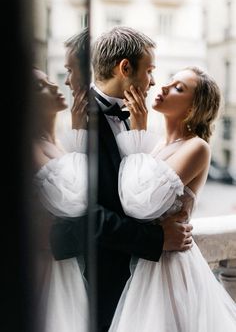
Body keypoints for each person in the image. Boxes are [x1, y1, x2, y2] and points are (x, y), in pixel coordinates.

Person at [50, 26, 193, 331]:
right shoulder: (78, 121)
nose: (153, 81)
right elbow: (87, 213)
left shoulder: (134, 117)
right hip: (97, 278)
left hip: (134, 279)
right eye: (150, 70)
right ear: (125, 68)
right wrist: (157, 238)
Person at [108, 66, 236, 331]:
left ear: (192, 109)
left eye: (179, 88)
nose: (164, 87)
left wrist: (138, 129)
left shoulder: (197, 147)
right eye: (169, 81)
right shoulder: (157, 145)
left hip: (170, 269)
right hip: (148, 261)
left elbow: (141, 205)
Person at [32, 68, 88, 332]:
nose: (55, 86)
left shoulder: (59, 146)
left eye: (50, 80)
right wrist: (78, 130)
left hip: (67, 267)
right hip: (44, 271)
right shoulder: (29, 147)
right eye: (40, 86)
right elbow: (72, 200)